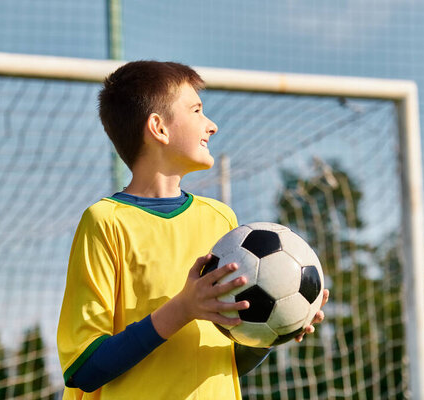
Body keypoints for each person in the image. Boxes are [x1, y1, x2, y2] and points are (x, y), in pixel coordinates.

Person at [57, 60, 329, 400]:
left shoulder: (221, 220)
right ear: (158, 128)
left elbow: (224, 359)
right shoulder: (106, 222)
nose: (212, 125)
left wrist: (273, 331)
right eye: (196, 110)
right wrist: (182, 309)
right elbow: (83, 368)